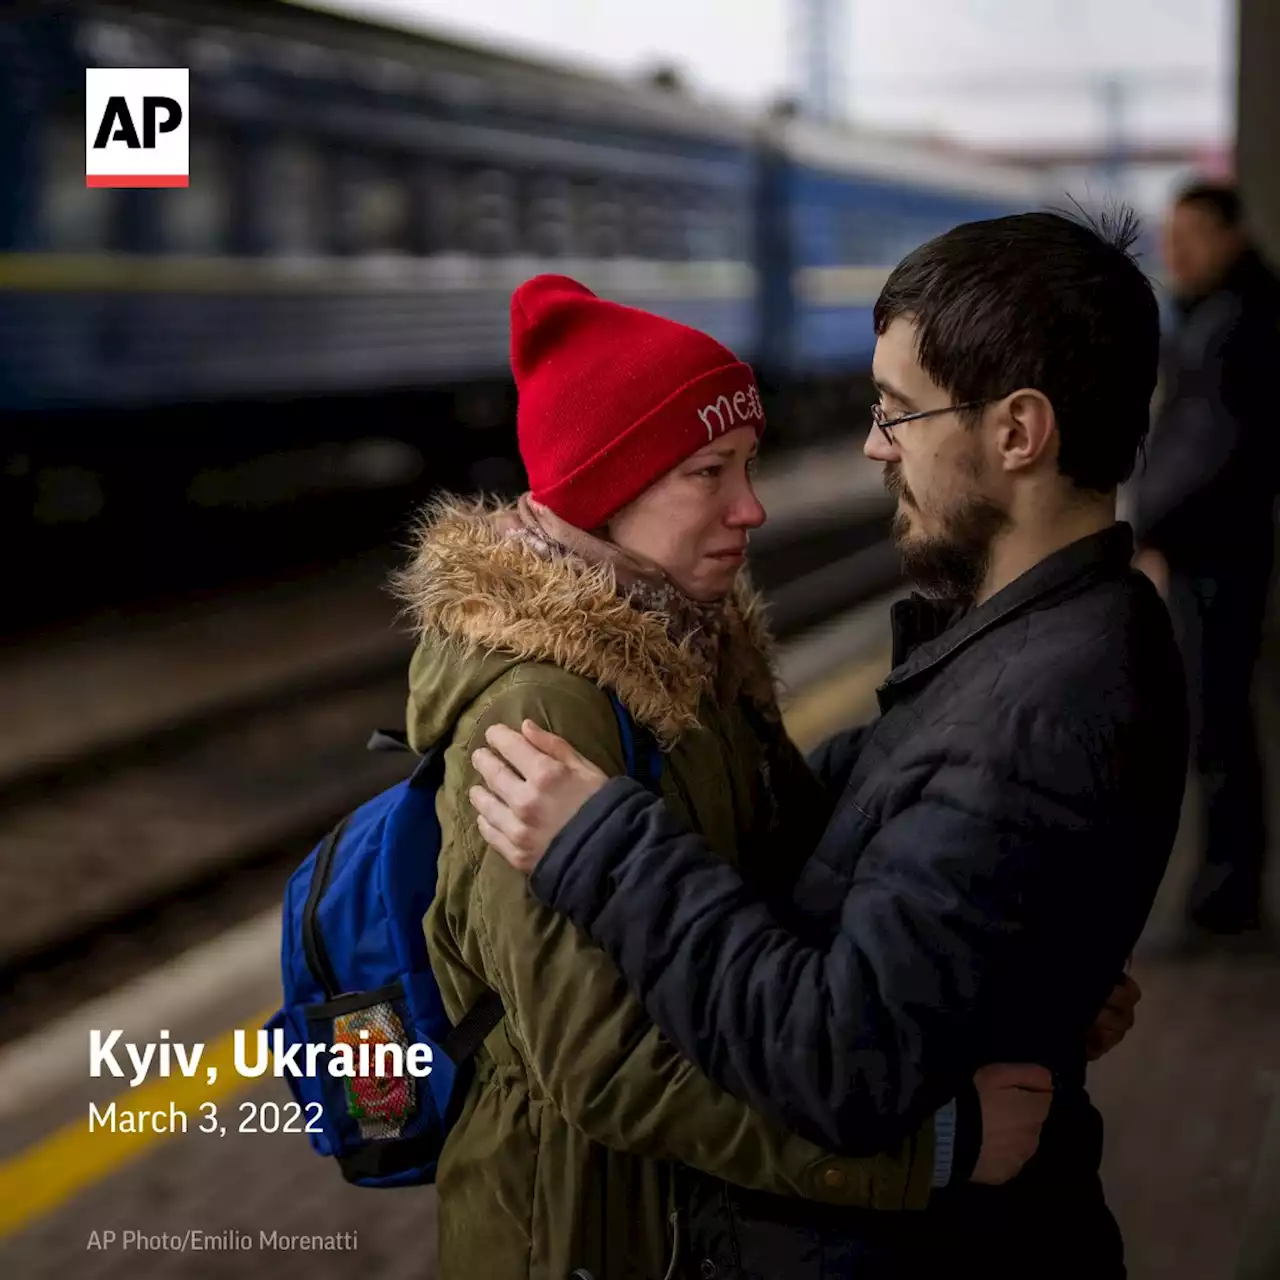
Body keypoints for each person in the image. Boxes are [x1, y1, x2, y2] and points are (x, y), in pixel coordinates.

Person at [468, 213, 1189, 1278]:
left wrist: (605, 847)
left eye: (898, 411)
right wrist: (1023, 972)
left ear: (1017, 431)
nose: (871, 444)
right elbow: (852, 857)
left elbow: (832, 1056)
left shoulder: (1031, 708)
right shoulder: (1026, 644)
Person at [1129, 180, 1280, 939]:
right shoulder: (1221, 316)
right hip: (1219, 547)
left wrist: (1147, 528)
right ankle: (1227, 888)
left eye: (1190, 233)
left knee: (1215, 722)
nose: (1174, 249)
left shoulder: (1231, 326)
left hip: (1217, 553)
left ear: (1231, 236)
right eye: (1170, 232)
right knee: (1218, 721)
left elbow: (1205, 452)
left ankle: (1226, 898)